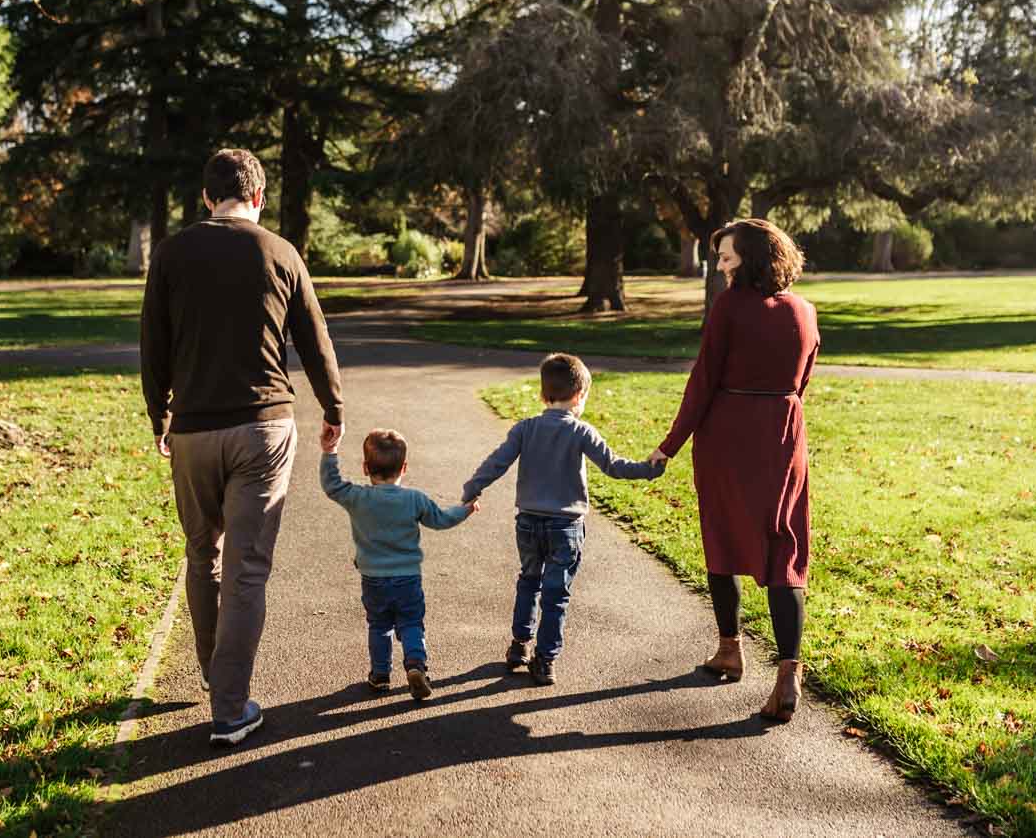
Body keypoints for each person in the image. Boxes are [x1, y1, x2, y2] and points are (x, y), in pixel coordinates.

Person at [140, 148, 344, 748]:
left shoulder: (173, 253)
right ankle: (229, 708)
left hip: (194, 431)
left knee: (202, 553)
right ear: (259, 197)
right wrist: (334, 409)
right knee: (247, 569)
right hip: (263, 430)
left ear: (207, 198)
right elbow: (315, 339)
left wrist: (160, 415)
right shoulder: (280, 252)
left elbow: (153, 340)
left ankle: (216, 679)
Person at [649, 218, 820, 723]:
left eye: (726, 257)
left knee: (722, 537)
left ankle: (731, 649)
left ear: (752, 257)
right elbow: (803, 377)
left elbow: (703, 381)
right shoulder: (805, 311)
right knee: (783, 545)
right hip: (785, 433)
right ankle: (788, 674)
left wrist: (668, 446)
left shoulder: (728, 308)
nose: (720, 266)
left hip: (727, 433)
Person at [461, 353, 664, 686]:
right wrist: (648, 470)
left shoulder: (525, 429)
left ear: (543, 395)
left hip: (527, 522)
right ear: (580, 396)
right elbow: (613, 466)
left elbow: (497, 462)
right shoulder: (582, 432)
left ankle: (519, 645)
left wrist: (473, 487)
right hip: (565, 527)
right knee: (556, 594)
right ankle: (545, 659)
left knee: (528, 581)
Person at [320, 428, 479, 700]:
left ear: (365, 467)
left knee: (379, 625)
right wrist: (465, 510)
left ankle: (380, 675)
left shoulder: (357, 497)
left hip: (373, 578)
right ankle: (416, 664)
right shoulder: (414, 499)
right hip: (408, 578)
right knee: (411, 623)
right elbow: (441, 519)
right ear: (404, 467)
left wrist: (329, 451)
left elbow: (332, 485)